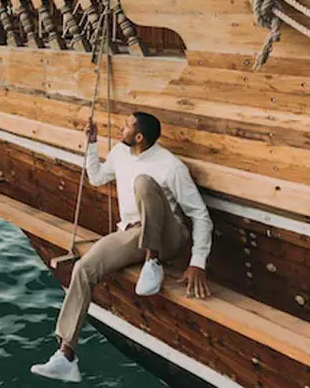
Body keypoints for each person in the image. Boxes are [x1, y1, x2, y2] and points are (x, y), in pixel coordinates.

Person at [32, 111, 212, 383]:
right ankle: (66, 356)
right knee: (83, 268)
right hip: (132, 232)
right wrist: (91, 143)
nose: (120, 127)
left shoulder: (170, 166)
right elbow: (95, 177)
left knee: (143, 183)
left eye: (126, 126)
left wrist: (197, 262)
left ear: (139, 137)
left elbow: (200, 215)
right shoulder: (119, 152)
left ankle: (153, 262)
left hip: (169, 236)